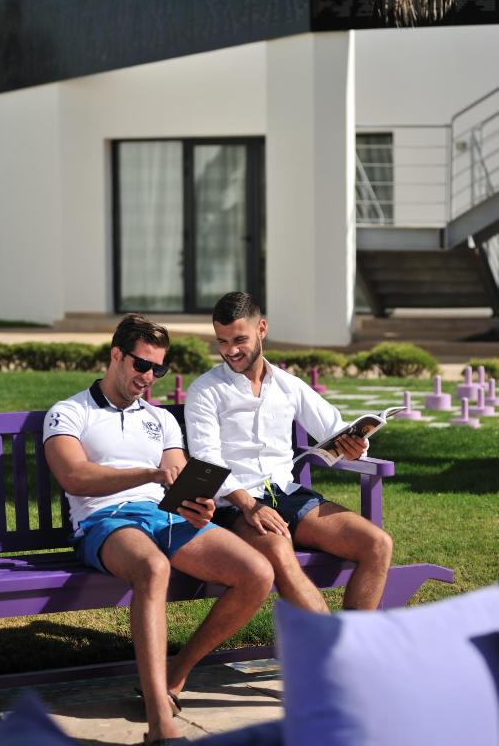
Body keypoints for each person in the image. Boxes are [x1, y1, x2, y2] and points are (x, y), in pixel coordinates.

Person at [44, 313, 274, 746]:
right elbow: (75, 477)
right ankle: (160, 725)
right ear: (116, 355)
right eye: (142, 365)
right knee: (153, 568)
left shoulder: (161, 419)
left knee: (257, 573)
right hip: (104, 520)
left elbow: (179, 475)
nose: (149, 377)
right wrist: (149, 474)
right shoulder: (69, 412)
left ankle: (175, 675)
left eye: (158, 369)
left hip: (163, 517)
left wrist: (198, 505)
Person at [185, 292, 393, 614]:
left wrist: (356, 445)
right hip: (235, 505)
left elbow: (335, 429)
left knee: (377, 544)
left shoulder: (288, 385)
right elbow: (205, 461)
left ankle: (349, 639)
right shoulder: (205, 390)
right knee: (279, 549)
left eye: (239, 340)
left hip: (288, 495)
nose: (231, 351)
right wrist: (250, 506)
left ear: (262, 329)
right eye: (222, 342)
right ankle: (332, 642)